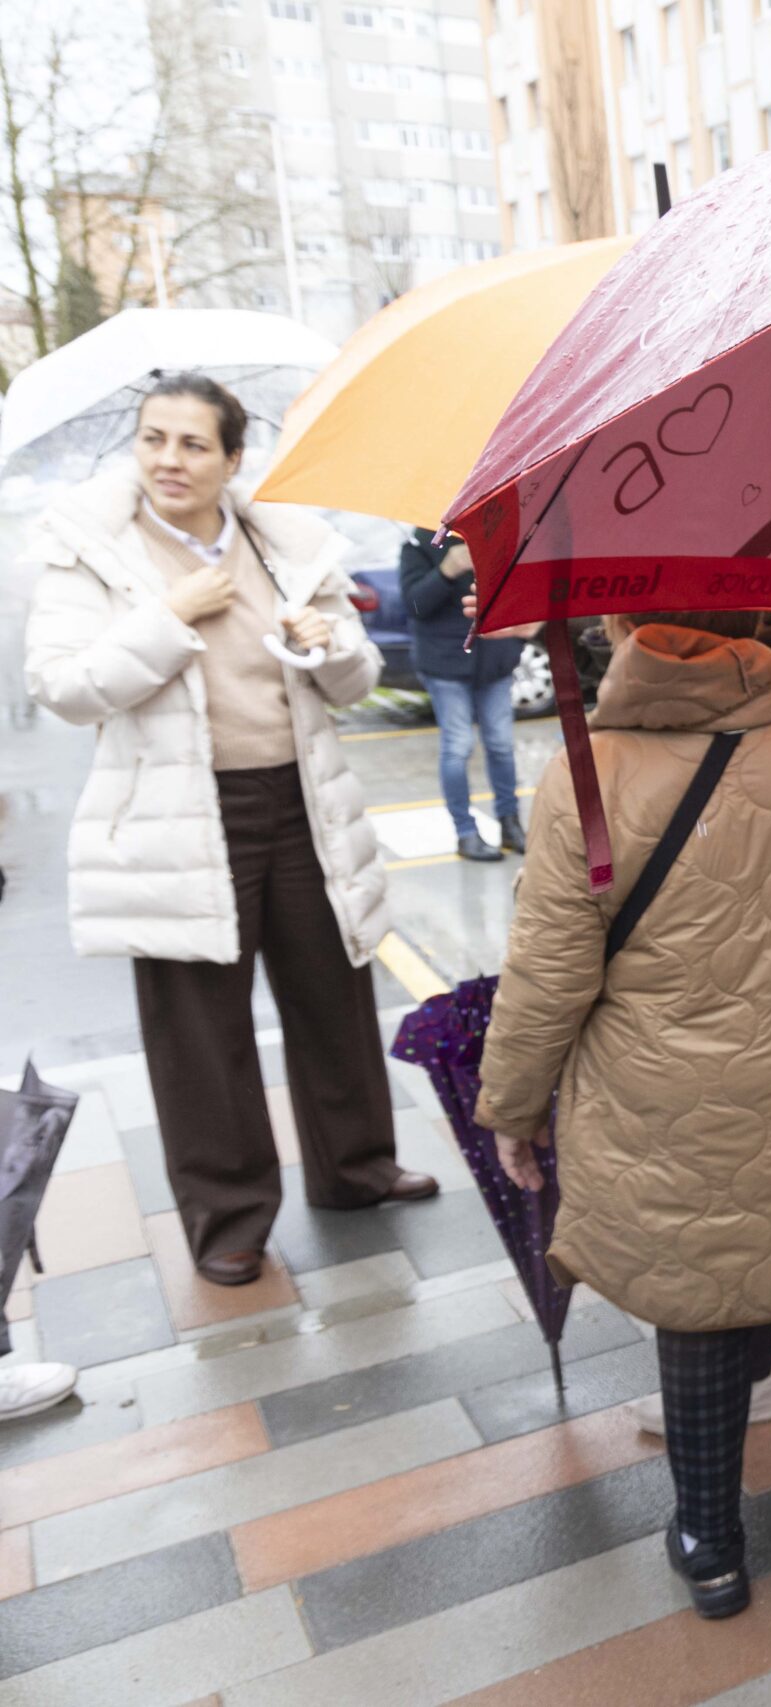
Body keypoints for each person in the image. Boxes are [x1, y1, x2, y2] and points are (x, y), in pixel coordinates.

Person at [475, 609, 771, 1620]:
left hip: (668, 1109)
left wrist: (512, 1105)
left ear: (624, 623)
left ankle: (710, 1545)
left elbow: (548, 972)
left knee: (699, 1315)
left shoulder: (589, 774)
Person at [23, 372, 434, 1289]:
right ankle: (229, 1216)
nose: (169, 459)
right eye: (153, 439)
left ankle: (357, 1167)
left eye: (193, 443)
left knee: (334, 989)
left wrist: (327, 645)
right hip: (180, 814)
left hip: (300, 799)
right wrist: (167, 619)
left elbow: (358, 679)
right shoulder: (91, 550)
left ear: (233, 458)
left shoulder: (281, 540)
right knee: (198, 1028)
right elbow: (62, 685)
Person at [397, 528, 525, 862]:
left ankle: (510, 823)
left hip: (496, 660)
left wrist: (517, 640)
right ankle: (465, 832)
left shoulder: (498, 538)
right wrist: (445, 571)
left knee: (501, 743)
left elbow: (521, 595)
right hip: (445, 663)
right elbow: (413, 605)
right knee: (458, 745)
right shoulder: (419, 544)